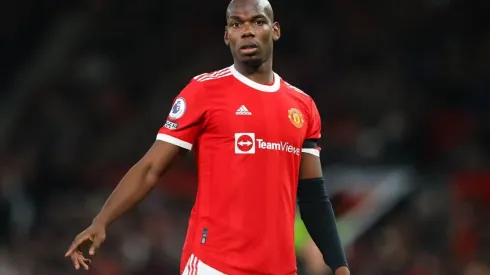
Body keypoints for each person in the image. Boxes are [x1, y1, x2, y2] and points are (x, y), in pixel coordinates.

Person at [65, 0, 349, 274]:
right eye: (237, 24)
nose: (246, 30)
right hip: (214, 265)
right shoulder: (204, 92)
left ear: (274, 30)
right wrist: (102, 220)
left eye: (257, 21)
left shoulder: (302, 106)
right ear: (227, 36)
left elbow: (313, 196)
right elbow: (151, 168)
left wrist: (339, 265)